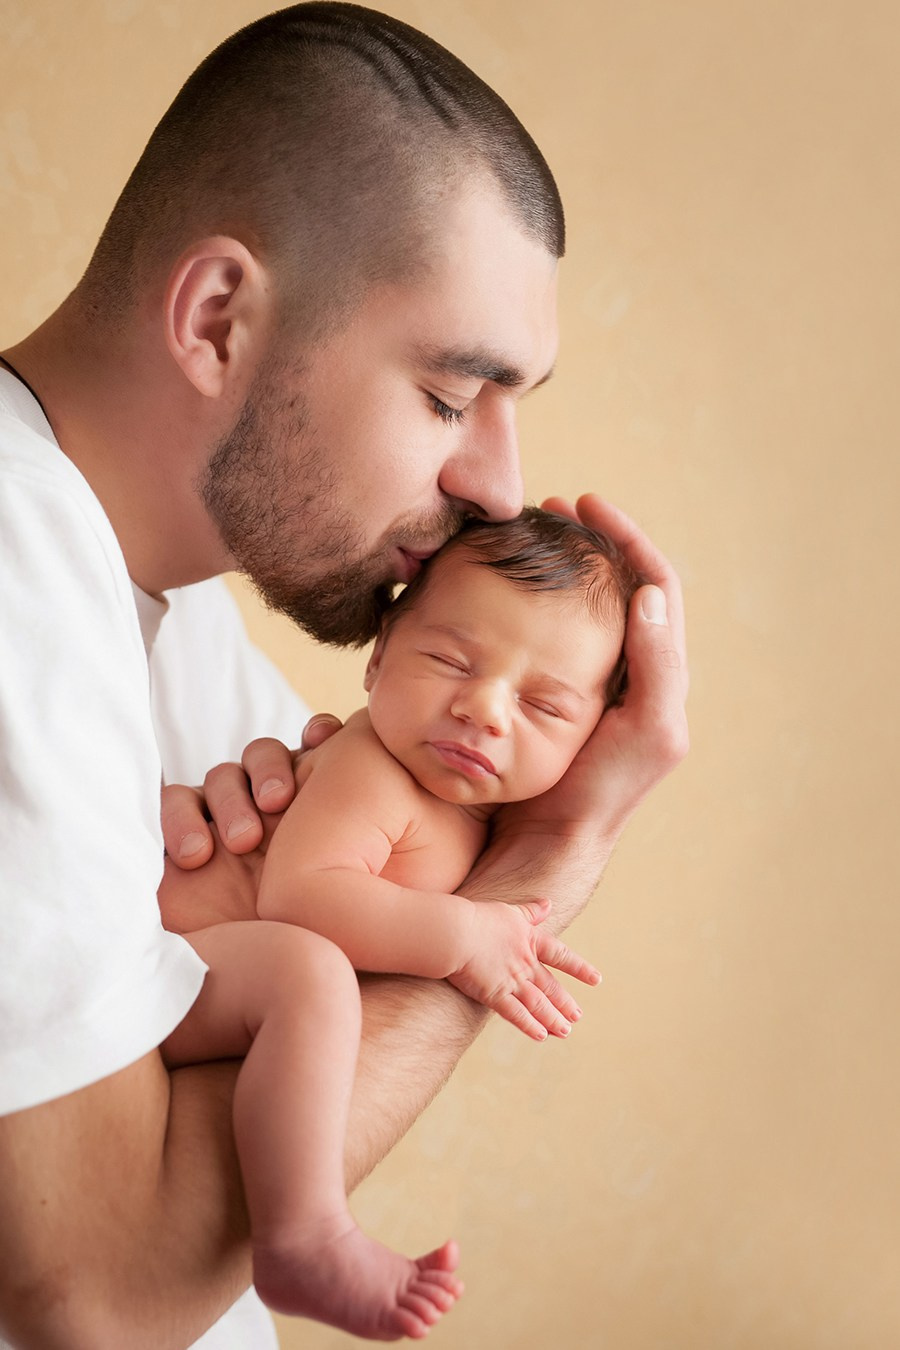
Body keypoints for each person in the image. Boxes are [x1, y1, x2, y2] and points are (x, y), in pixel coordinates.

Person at [0, 5, 688, 1348]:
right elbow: (103, 1289)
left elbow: (374, 901)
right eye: (448, 396)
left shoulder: (173, 611)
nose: (497, 479)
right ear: (216, 319)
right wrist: (559, 846)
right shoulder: (11, 565)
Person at [160, 508, 631, 1340]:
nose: (485, 708)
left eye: (545, 707)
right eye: (450, 659)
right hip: (150, 963)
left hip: (188, 999)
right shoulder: (374, 766)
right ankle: (302, 1236)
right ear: (377, 659)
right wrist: (465, 935)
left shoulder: (473, 819)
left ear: (590, 743)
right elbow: (303, 899)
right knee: (308, 972)